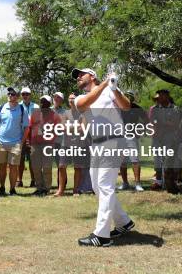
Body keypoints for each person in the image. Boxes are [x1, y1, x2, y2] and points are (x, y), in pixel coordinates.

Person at [73, 67, 134, 247]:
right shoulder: (80, 97)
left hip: (114, 141)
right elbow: (84, 105)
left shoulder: (110, 89)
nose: (77, 77)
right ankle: (124, 222)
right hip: (98, 144)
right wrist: (106, 84)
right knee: (97, 187)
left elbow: (126, 106)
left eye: (80, 74)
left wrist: (114, 89)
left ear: (91, 76)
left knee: (105, 186)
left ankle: (102, 235)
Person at [0, 87, 29, 196]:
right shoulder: (1, 108)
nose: (10, 96)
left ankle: (12, 189)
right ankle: (2, 188)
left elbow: (26, 128)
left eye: (13, 94)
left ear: (17, 97)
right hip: (1, 142)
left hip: (15, 143)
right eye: (9, 94)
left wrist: (21, 142)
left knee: (13, 167)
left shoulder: (22, 109)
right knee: (2, 166)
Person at [25, 95, 61, 196]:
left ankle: (47, 188)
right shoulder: (35, 113)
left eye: (45, 101)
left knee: (46, 167)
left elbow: (58, 129)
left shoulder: (54, 115)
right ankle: (39, 187)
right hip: (35, 144)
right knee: (36, 167)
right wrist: (28, 141)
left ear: (49, 103)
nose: (43, 103)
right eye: (41, 101)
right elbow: (29, 128)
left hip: (48, 144)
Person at [149, 89, 181, 192]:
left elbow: (175, 124)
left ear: (167, 96)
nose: (159, 98)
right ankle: (158, 182)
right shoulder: (154, 109)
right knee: (157, 160)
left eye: (161, 96)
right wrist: (162, 123)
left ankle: (172, 182)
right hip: (157, 137)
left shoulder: (175, 109)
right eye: (158, 96)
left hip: (170, 138)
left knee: (170, 160)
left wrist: (161, 123)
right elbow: (152, 121)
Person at [118, 91, 148, 192]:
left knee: (135, 160)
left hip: (132, 137)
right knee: (122, 161)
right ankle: (125, 183)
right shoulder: (118, 107)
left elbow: (146, 120)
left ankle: (137, 183)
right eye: (125, 96)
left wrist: (141, 131)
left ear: (132, 98)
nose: (127, 98)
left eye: (129, 96)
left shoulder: (137, 108)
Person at [18, 87, 39, 187]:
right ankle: (19, 180)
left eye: (27, 94)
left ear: (30, 95)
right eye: (23, 94)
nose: (25, 96)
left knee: (33, 160)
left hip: (33, 137)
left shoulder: (36, 106)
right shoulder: (18, 106)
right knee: (20, 160)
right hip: (20, 136)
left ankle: (33, 180)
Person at [52, 92, 67, 194]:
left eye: (59, 98)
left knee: (61, 165)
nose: (56, 99)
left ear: (62, 100)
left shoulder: (65, 112)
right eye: (55, 97)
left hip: (61, 141)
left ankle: (61, 188)